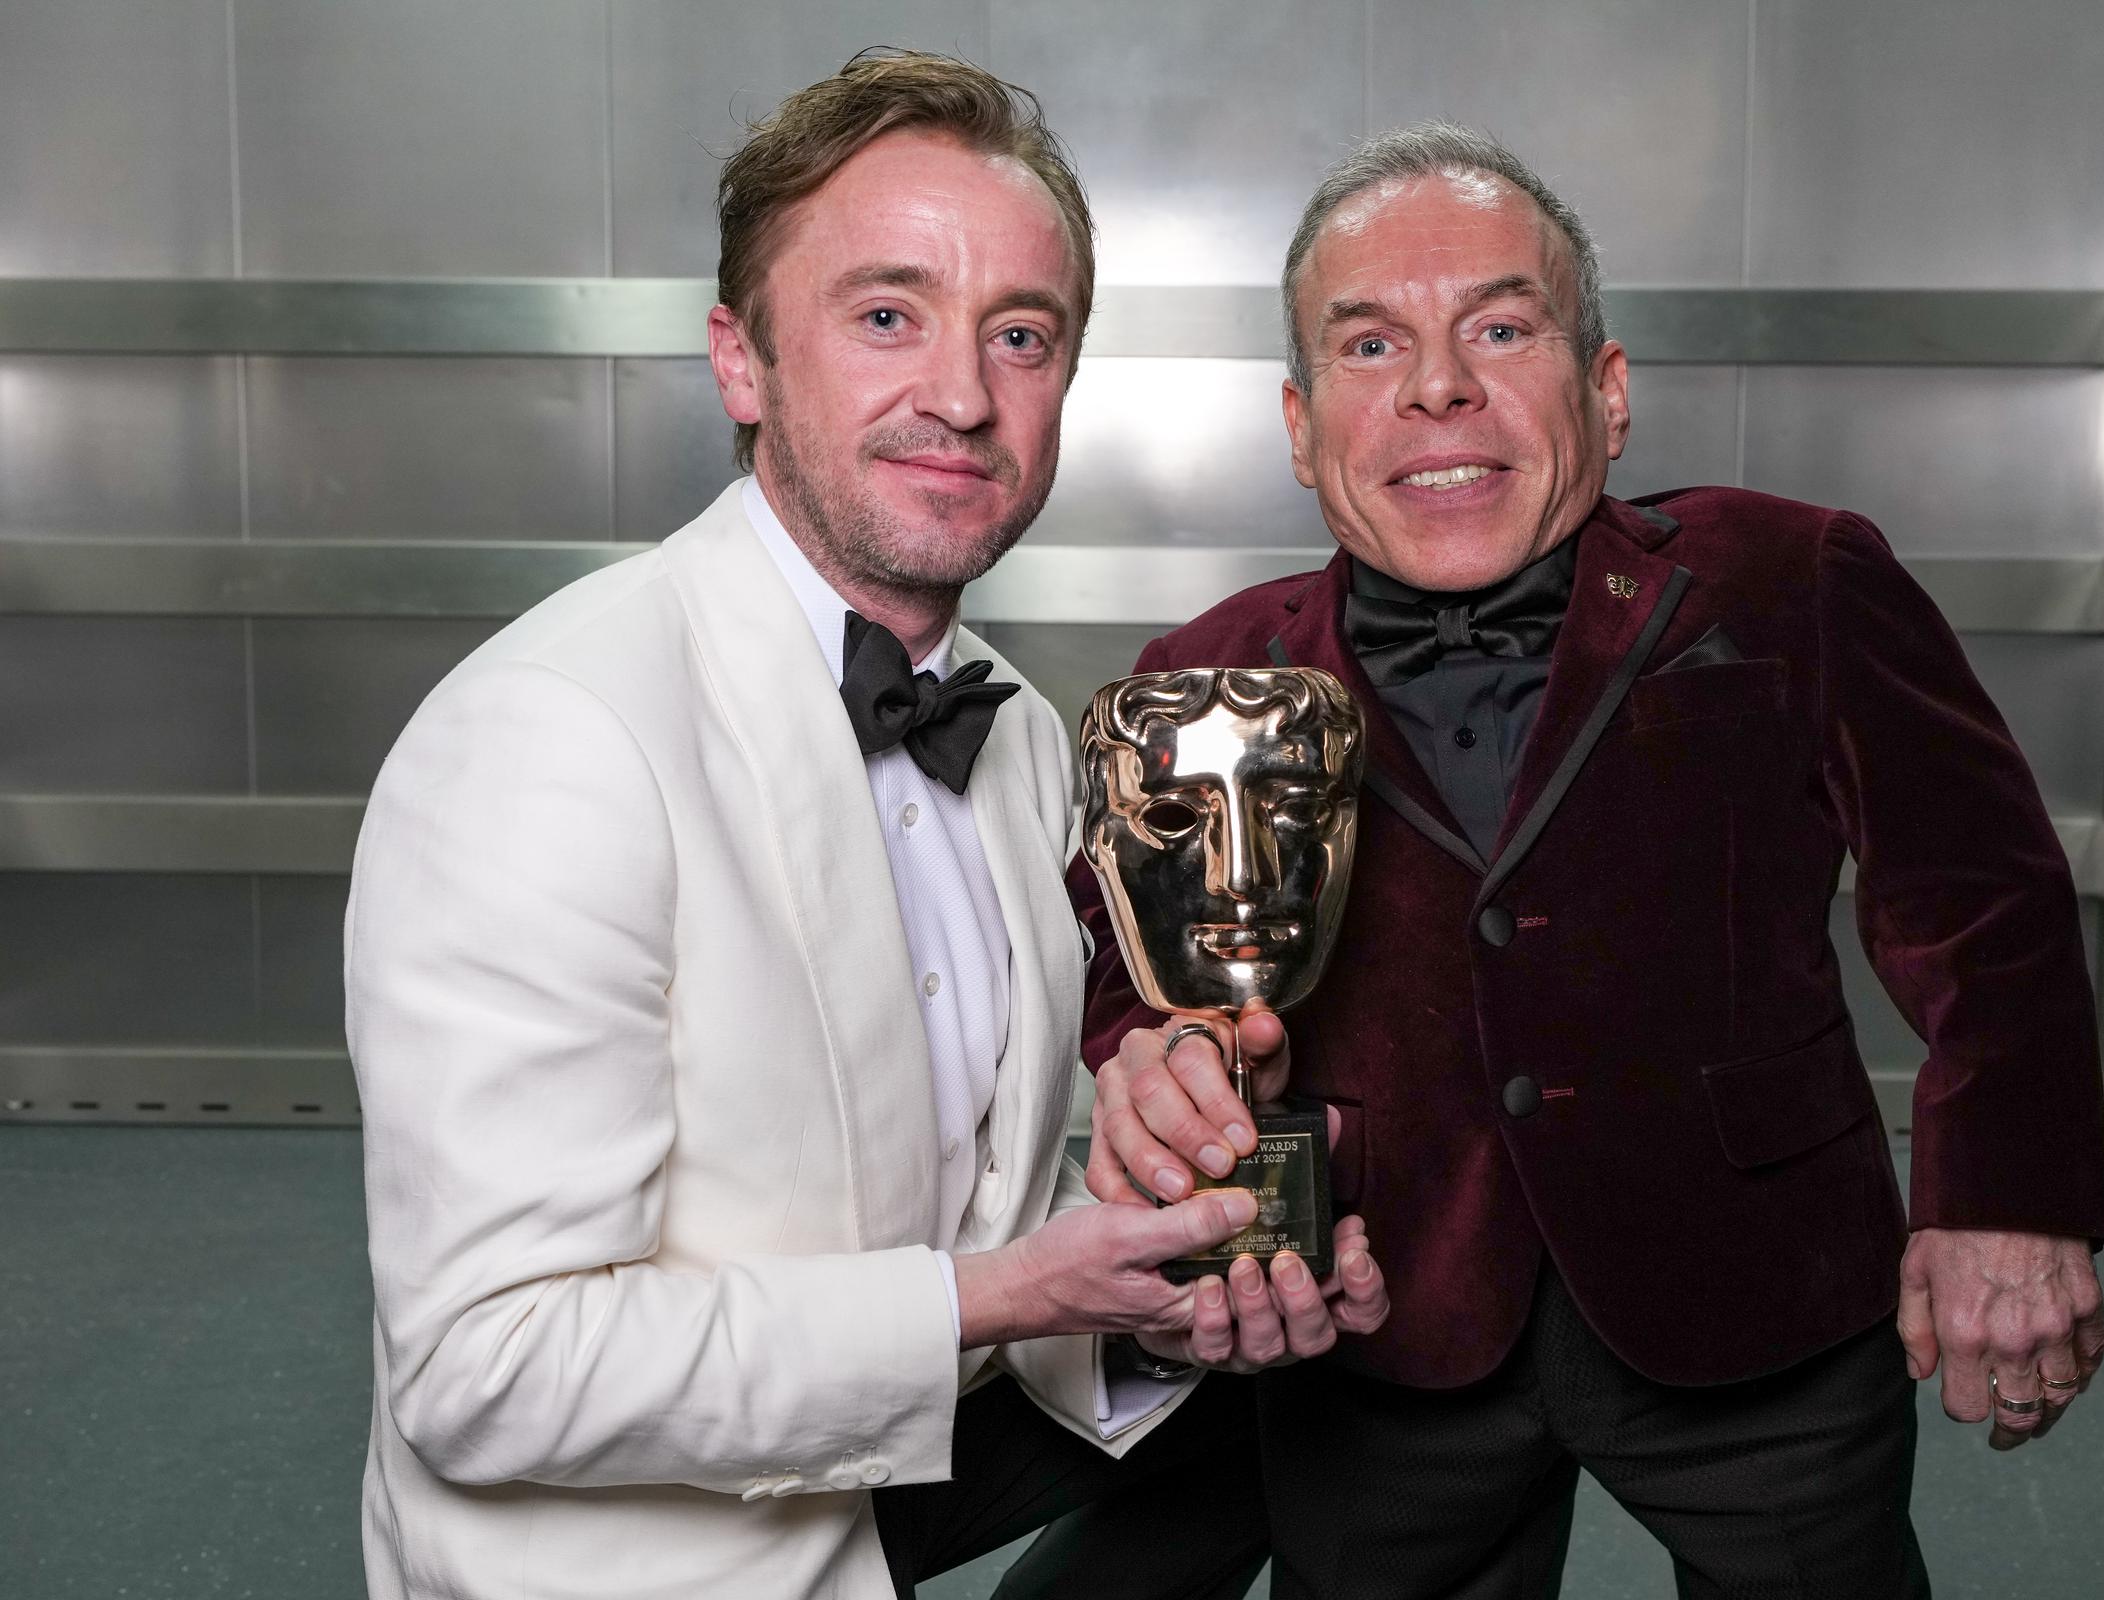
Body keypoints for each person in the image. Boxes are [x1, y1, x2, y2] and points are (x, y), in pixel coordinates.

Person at [344, 52, 1385, 1600]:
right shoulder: (555, 735)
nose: (962, 395)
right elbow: (486, 1369)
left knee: (1342, 1417)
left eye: (1019, 335)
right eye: (886, 315)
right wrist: (992, 1296)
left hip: (874, 1489)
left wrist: (1144, 1274)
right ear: (743, 361)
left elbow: (985, 1200)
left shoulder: (1023, 732)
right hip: (627, 1562)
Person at [1058, 122, 2104, 1598]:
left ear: (1607, 393)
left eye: (1501, 325)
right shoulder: (1203, 677)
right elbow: (1124, 966)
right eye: (1371, 345)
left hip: (1762, 1303)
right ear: (1300, 430)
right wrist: (1149, 1070)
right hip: (1385, 1328)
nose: (1438, 385)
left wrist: (2009, 1194)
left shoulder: (1792, 576)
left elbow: (1983, 897)